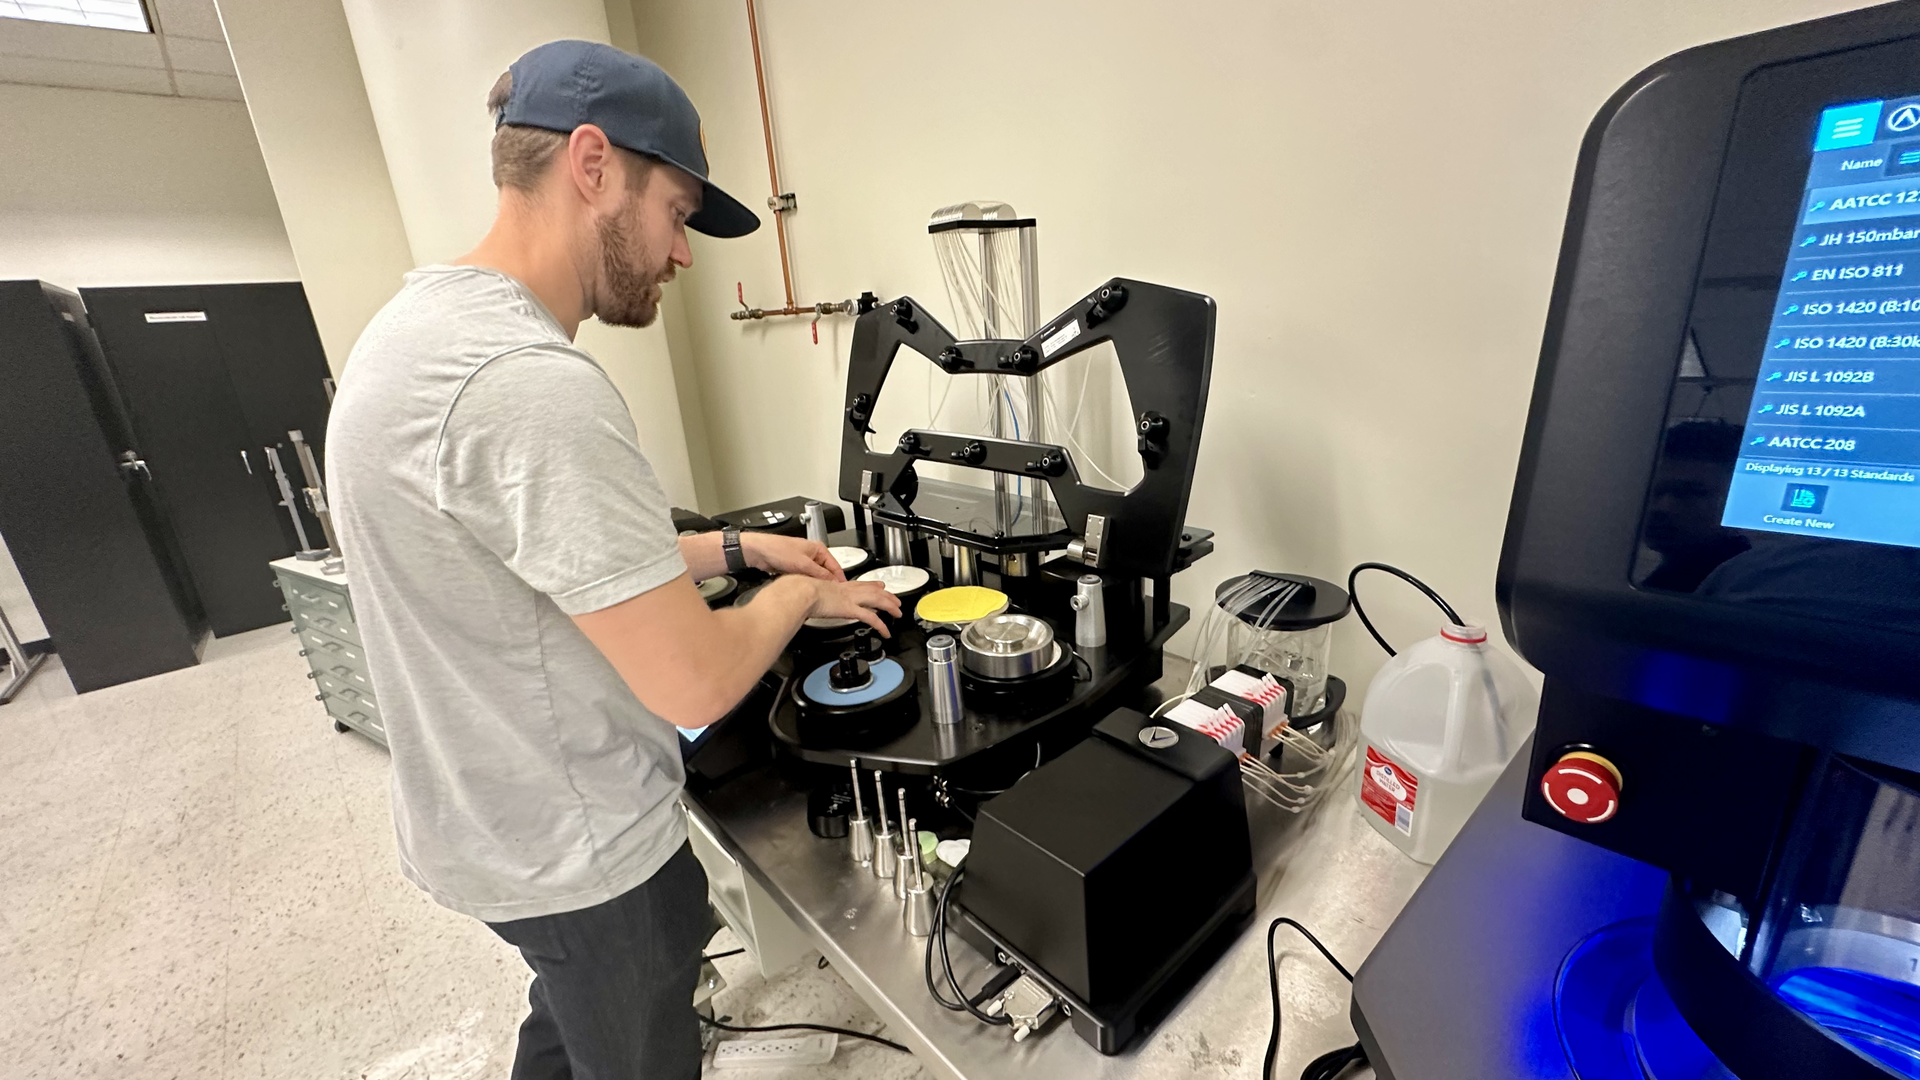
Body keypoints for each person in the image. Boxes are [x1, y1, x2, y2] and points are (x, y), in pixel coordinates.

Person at [325, 40, 900, 1080]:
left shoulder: (420, 329)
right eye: (678, 213)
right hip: (581, 857)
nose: (685, 256)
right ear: (593, 164)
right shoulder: (529, 385)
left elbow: (525, 544)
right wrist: (785, 598)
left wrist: (729, 546)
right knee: (630, 1041)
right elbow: (696, 677)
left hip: (489, 823)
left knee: (573, 1022)